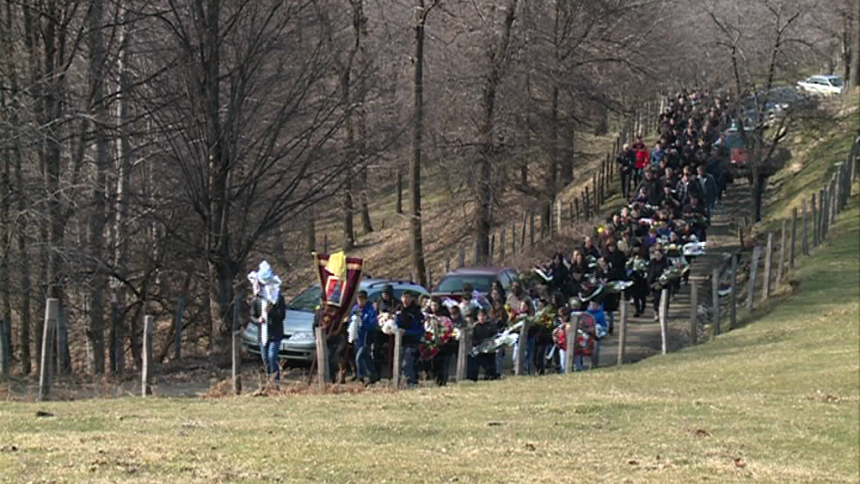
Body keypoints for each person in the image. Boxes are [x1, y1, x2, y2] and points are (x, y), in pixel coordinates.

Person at [249, 263, 286, 389]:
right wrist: (257, 319)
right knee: (265, 359)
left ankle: (276, 383)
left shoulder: (278, 298)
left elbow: (282, 316)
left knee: (272, 357)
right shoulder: (257, 300)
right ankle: (268, 382)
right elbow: (252, 315)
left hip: (275, 333)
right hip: (262, 334)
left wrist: (271, 312)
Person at [395, 290, 424, 387]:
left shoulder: (416, 313)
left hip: (412, 342)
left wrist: (406, 332)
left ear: (412, 299)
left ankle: (410, 383)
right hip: (399, 342)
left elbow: (420, 331)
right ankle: (398, 383)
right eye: (403, 297)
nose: (405, 300)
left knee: (407, 363)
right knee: (398, 363)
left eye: (407, 297)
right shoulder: (399, 309)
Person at [352, 290, 379, 385]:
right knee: (365, 358)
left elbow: (373, 324)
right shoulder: (355, 308)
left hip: (366, 338)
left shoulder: (370, 310)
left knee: (358, 358)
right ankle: (373, 375)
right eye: (358, 299)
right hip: (357, 337)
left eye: (362, 300)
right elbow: (352, 320)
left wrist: (362, 324)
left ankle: (361, 377)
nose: (360, 302)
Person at [467, 309, 498, 381]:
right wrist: (481, 342)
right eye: (480, 316)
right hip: (479, 350)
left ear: (486, 316)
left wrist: (491, 341)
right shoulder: (475, 326)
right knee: (482, 365)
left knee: (491, 366)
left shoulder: (491, 325)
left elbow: (496, 334)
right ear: (477, 317)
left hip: (490, 349)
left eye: (483, 316)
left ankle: (491, 378)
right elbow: (472, 339)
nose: (481, 318)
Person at [648, 247, 670, 322]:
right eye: (656, 254)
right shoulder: (652, 262)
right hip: (655, 283)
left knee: (664, 299)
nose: (657, 256)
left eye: (659, 255)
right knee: (656, 299)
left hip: (664, 283)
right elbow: (649, 272)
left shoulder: (666, 262)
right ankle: (656, 313)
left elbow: (668, 271)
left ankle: (664, 313)